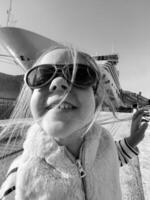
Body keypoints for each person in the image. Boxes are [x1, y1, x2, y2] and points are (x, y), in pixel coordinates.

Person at [0, 46, 148, 200]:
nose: (58, 82)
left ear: (96, 100)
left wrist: (131, 142)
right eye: (42, 76)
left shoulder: (105, 147)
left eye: (79, 75)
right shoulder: (20, 179)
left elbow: (111, 161)